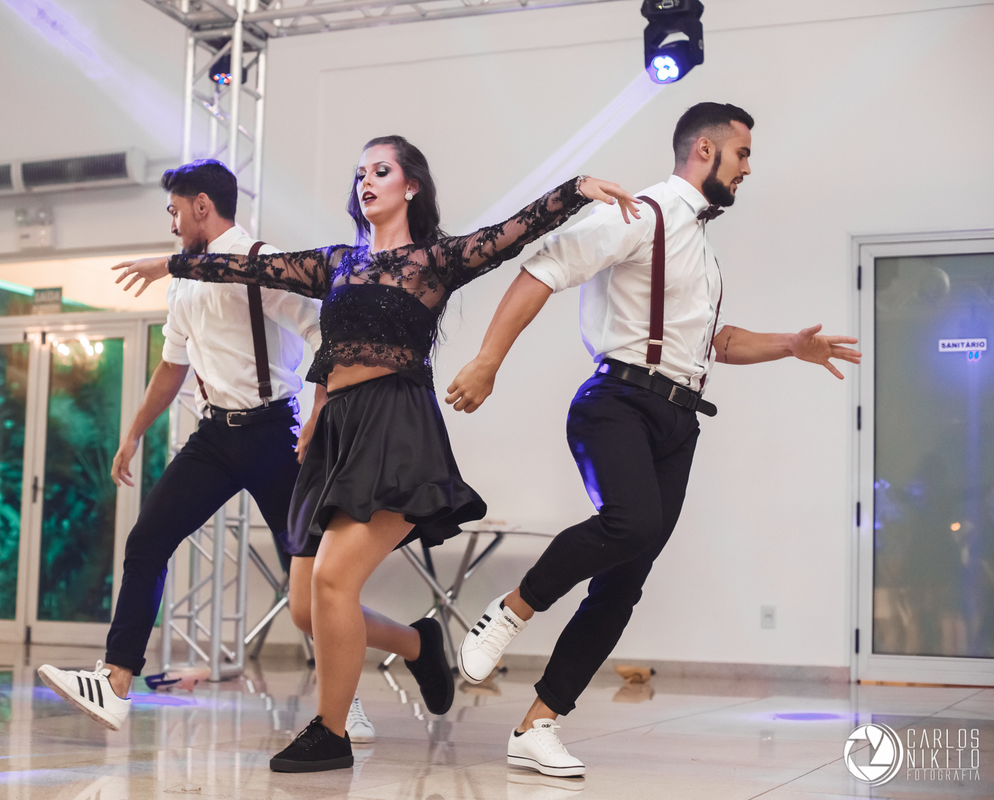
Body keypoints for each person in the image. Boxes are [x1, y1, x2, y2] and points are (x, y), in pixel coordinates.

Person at [113, 135, 639, 772]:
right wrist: (171, 266)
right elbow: (247, 269)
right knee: (307, 605)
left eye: (381, 171)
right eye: (360, 173)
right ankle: (420, 643)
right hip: (335, 439)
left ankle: (330, 733)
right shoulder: (337, 263)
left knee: (334, 580)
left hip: (395, 432)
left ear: (409, 185)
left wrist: (576, 190)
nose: (366, 182)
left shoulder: (435, 261)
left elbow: (508, 235)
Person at [449, 103, 862, 778]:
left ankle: (538, 726)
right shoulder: (640, 212)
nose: (750, 167)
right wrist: (488, 359)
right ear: (705, 150)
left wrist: (791, 345)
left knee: (625, 580)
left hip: (677, 418)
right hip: (617, 402)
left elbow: (714, 344)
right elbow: (542, 268)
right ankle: (511, 610)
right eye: (744, 154)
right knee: (630, 522)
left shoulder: (700, 244)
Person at [37, 159, 357, 734]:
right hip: (214, 435)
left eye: (174, 211)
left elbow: (326, 335)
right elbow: (171, 367)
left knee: (305, 575)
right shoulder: (184, 281)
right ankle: (115, 682)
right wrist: (133, 432)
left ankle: (343, 698)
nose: (172, 223)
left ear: (201, 206)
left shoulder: (261, 263)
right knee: (148, 540)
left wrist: (317, 414)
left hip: (274, 433)